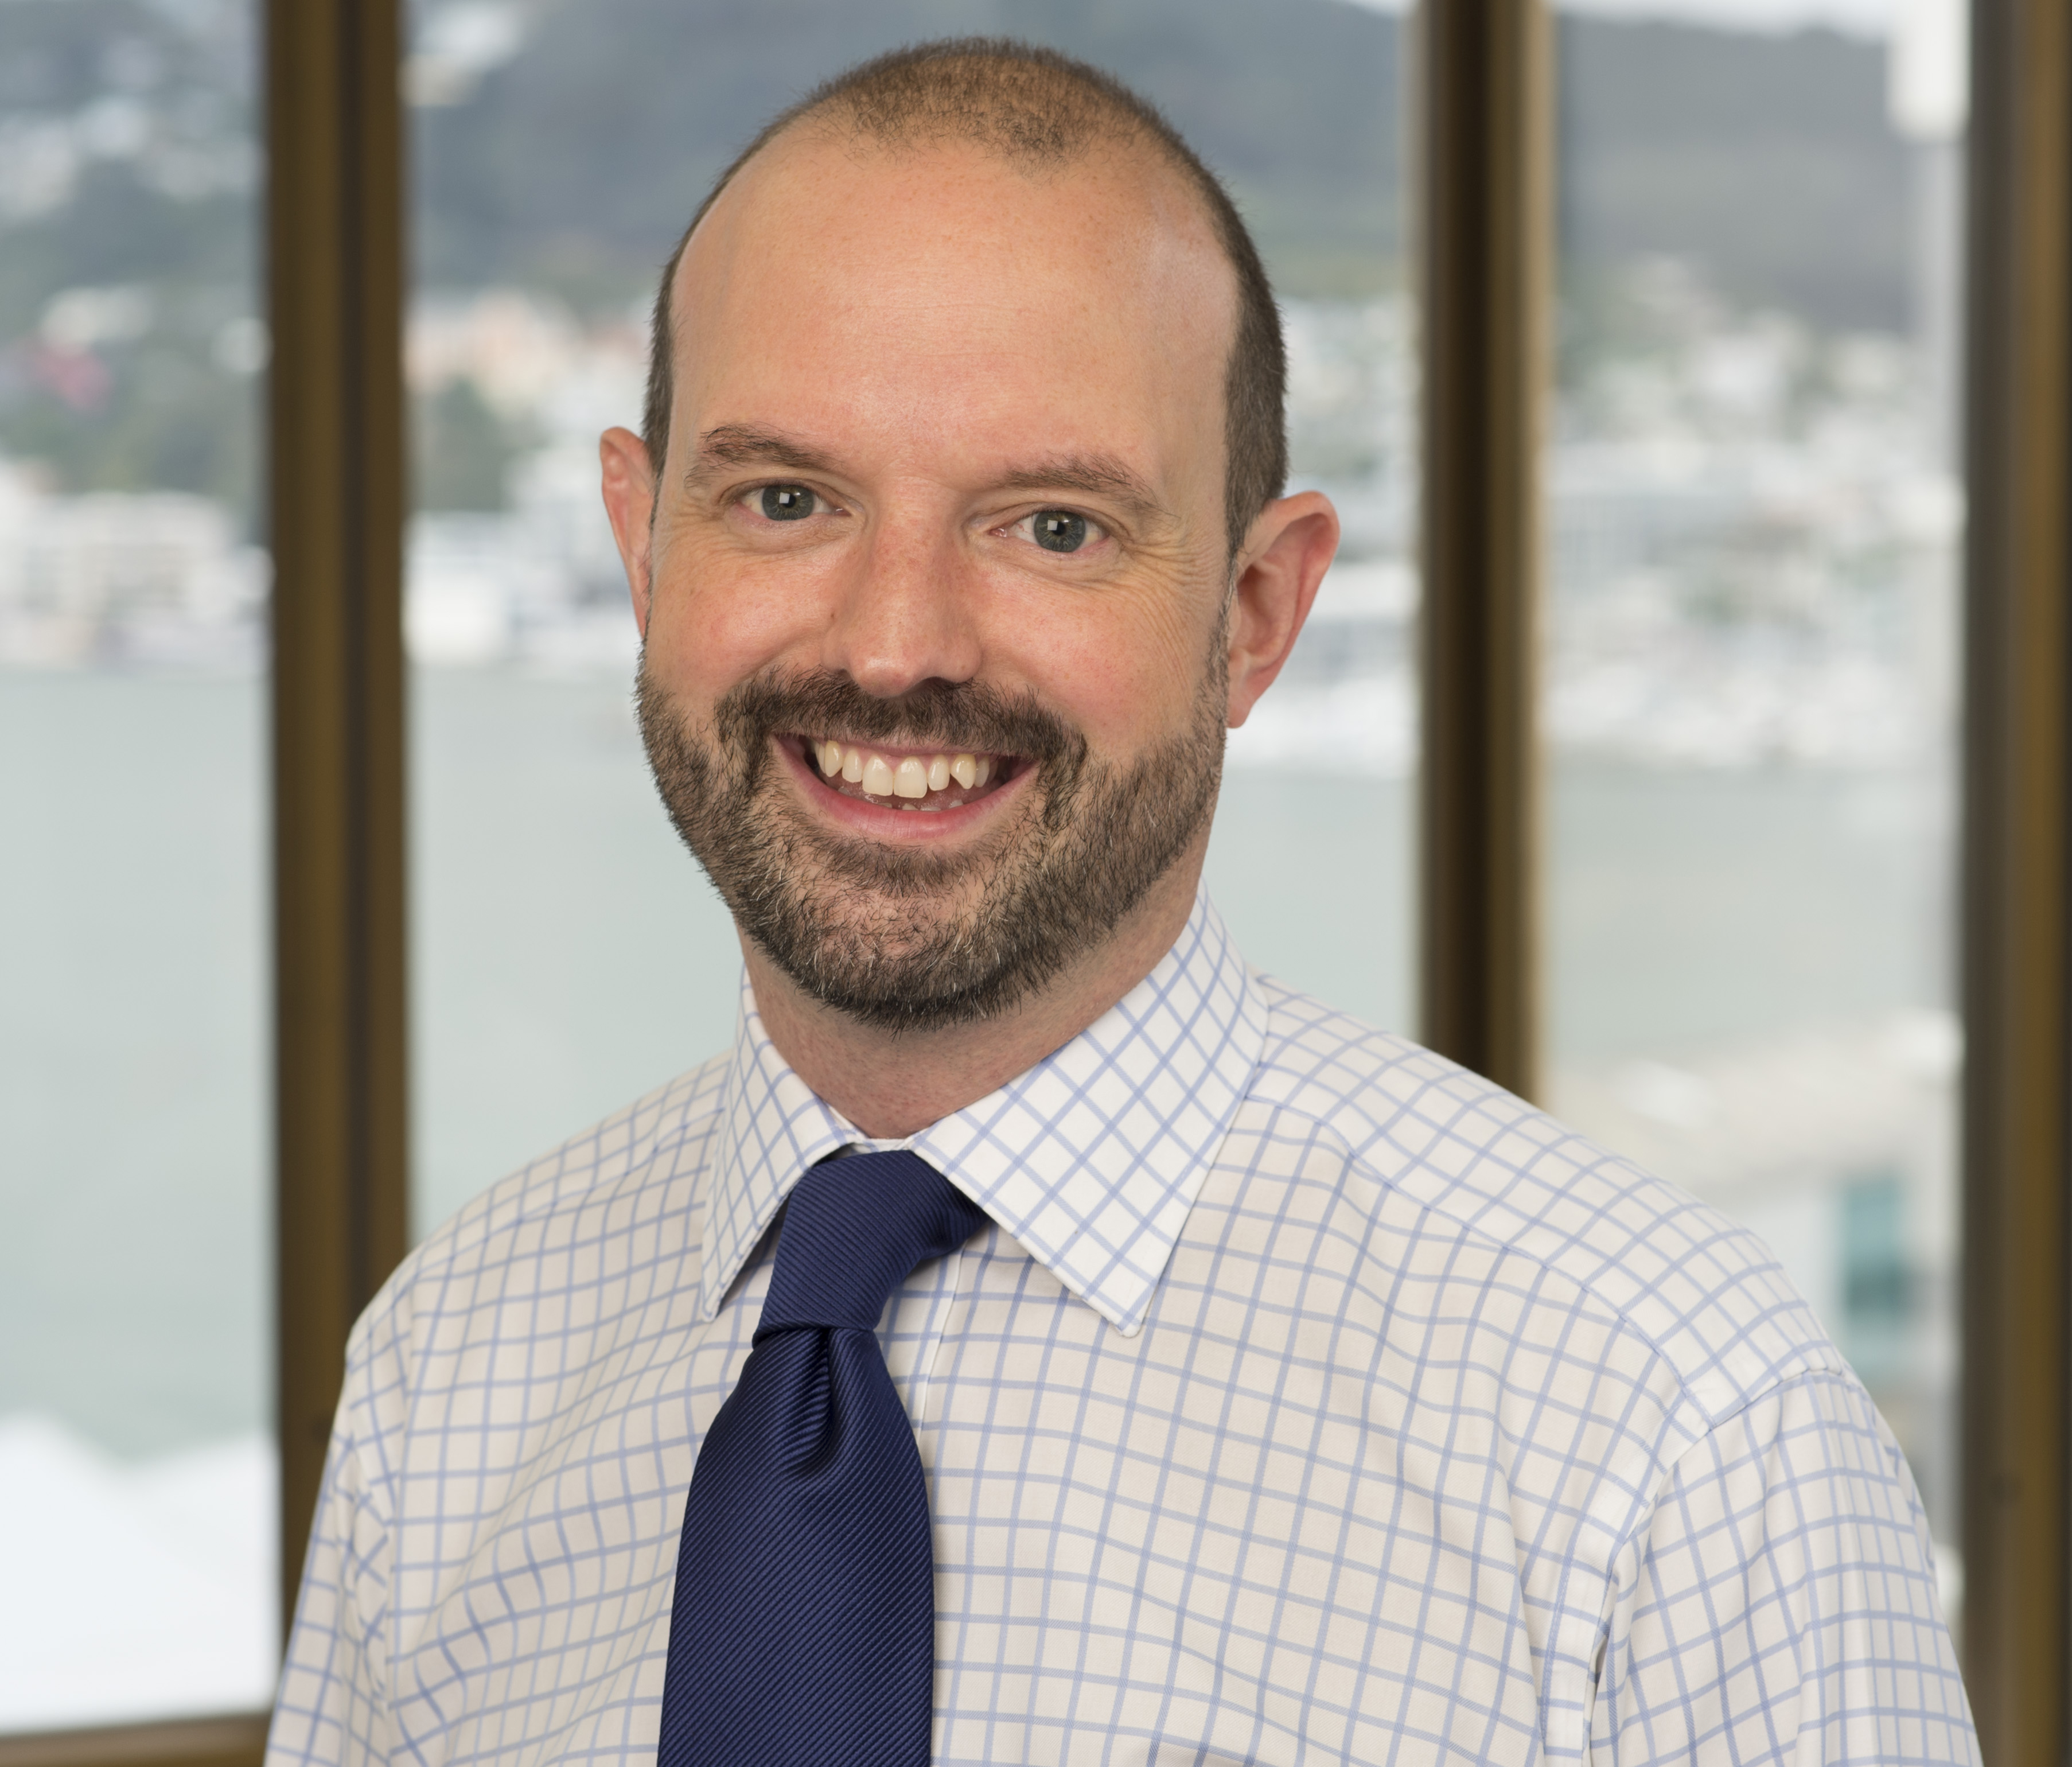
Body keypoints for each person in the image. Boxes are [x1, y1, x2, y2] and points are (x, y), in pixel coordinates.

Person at [267, 38, 1977, 1767]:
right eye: (786, 501)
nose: (896, 644)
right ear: (644, 549)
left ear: (1255, 610)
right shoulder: (448, 1374)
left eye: (1053, 527)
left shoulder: (1668, 1426)